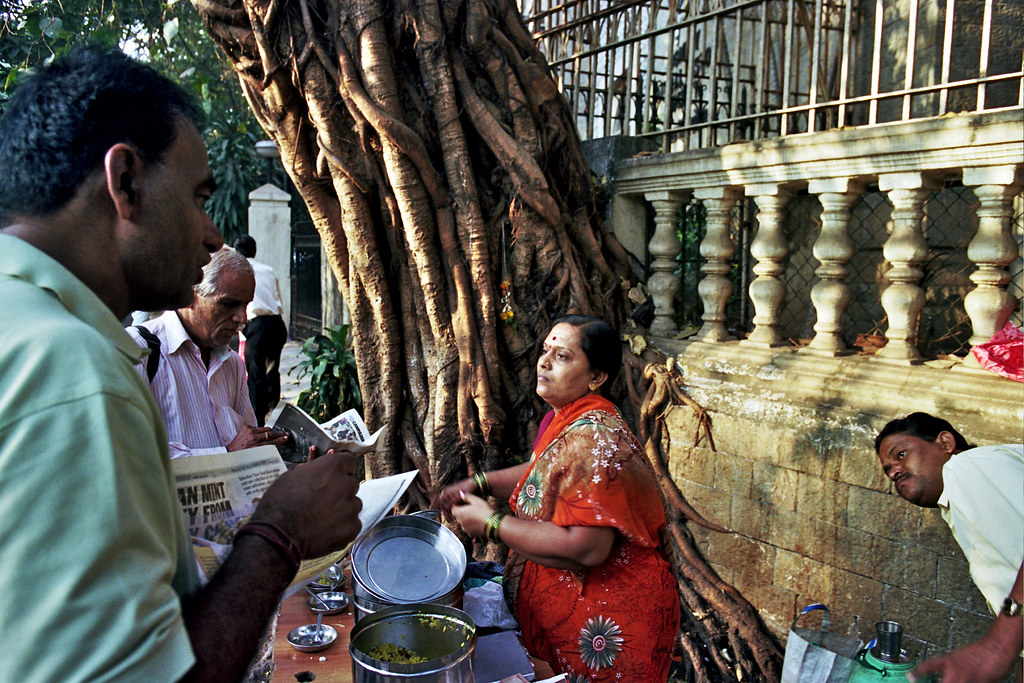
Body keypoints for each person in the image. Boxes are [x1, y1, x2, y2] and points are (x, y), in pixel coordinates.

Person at [0, 47, 362, 683]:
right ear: (127, 182)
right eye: (198, 197)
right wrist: (282, 530)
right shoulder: (69, 371)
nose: (212, 234)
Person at [437, 315, 680, 681]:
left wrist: (492, 524)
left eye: (563, 356)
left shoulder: (594, 439)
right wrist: (480, 482)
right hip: (570, 613)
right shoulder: (567, 420)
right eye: (546, 349)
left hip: (610, 623)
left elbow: (588, 548)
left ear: (596, 377)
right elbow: (541, 472)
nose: (544, 361)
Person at [875, 412, 1023, 683]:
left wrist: (1000, 644)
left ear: (945, 443)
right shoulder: (961, 495)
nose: (894, 471)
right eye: (888, 470)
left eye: (901, 454)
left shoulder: (970, 467)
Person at [127, 247, 288, 459]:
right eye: (228, 304)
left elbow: (249, 447)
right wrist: (226, 454)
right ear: (189, 296)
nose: (242, 317)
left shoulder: (232, 364)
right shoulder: (139, 351)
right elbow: (130, 454)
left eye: (246, 305)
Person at [233, 235, 288, 426]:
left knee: (256, 375)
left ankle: (258, 421)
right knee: (272, 371)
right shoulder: (269, 270)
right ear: (255, 251)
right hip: (276, 324)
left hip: (257, 326)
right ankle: (276, 416)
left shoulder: (238, 270)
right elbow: (278, 299)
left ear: (237, 252)